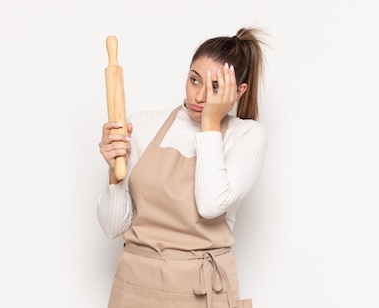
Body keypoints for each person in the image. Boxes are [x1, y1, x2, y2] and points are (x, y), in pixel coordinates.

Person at [97, 27, 268, 308]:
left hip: (200, 291)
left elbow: (211, 206)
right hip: (134, 285)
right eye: (194, 80)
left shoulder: (246, 136)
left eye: (215, 87)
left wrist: (210, 123)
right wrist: (114, 172)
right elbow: (113, 227)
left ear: (238, 91)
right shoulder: (143, 124)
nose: (200, 97)